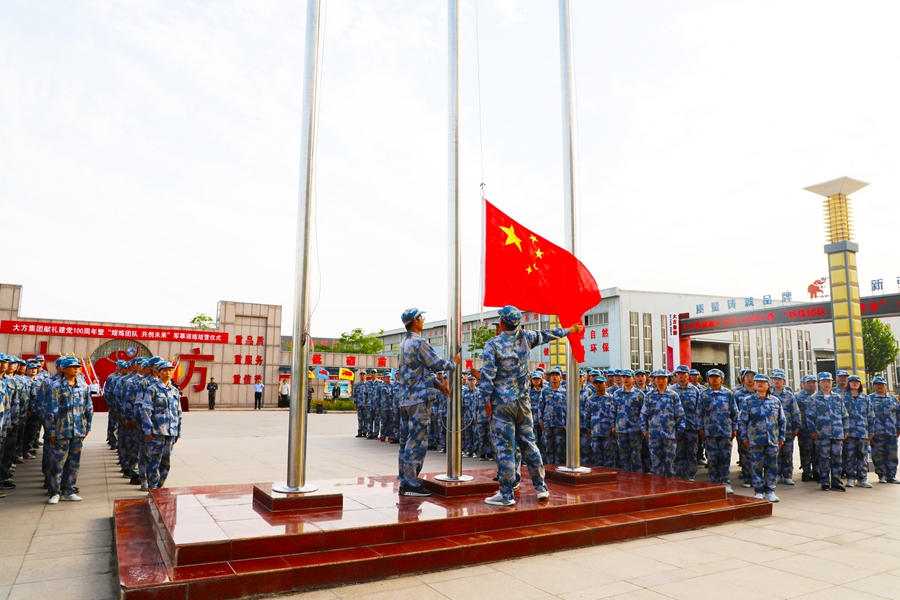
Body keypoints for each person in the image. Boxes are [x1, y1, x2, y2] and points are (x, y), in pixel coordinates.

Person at [477, 305, 582, 506]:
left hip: (502, 404)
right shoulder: (526, 337)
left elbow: (487, 376)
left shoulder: (493, 344)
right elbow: (549, 334)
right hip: (523, 403)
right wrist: (571, 329)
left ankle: (506, 493)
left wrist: (486, 402)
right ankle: (541, 487)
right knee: (529, 443)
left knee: (505, 447)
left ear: (501, 322)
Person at [396, 307, 459, 497]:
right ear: (415, 321)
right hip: (419, 401)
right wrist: (454, 362)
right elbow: (437, 364)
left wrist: (438, 384)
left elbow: (416, 372)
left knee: (405, 442)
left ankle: (405, 480)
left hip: (406, 400)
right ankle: (410, 483)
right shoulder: (419, 343)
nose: (423, 320)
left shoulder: (402, 344)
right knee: (416, 442)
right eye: (421, 318)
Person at [45, 356, 93, 503]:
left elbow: (88, 408)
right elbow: (50, 411)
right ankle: (55, 492)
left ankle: (69, 490)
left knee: (74, 462)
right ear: (64, 369)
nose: (76, 369)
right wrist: (51, 431)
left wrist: (87, 427)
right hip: (61, 430)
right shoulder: (56, 386)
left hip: (78, 430)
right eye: (72, 367)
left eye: (77, 366)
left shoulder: (83, 386)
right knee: (58, 462)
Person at [739, 374, 786, 502]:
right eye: (757, 382)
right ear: (754, 385)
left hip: (772, 439)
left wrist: (781, 437)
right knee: (756, 465)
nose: (760, 384)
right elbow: (742, 421)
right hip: (755, 440)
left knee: (772, 466)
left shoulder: (775, 401)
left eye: (763, 382)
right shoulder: (748, 401)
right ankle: (758, 490)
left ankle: (770, 490)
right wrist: (744, 437)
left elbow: (781, 421)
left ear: (768, 385)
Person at [140, 361, 182, 490]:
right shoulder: (152, 389)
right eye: (165, 370)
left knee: (166, 461)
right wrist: (148, 430)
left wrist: (178, 431)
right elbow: (146, 410)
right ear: (158, 372)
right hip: (157, 432)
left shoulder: (174, 390)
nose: (168, 373)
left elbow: (178, 412)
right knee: (154, 461)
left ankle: (160, 485)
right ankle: (152, 487)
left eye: (170, 370)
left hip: (170, 432)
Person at [806, 372, 849, 491]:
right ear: (819, 383)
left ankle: (836, 481)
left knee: (837, 458)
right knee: (823, 458)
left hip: (837, 433)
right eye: (824, 381)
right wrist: (812, 431)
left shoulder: (837, 397)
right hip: (822, 434)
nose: (826, 383)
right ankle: (825, 481)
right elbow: (810, 417)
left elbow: (844, 415)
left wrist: (845, 430)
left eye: (829, 381)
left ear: (832, 383)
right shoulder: (814, 398)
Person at [698, 369, 738, 493]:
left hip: (725, 431)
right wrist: (700, 428)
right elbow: (699, 413)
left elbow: (734, 412)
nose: (714, 379)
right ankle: (714, 481)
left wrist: (735, 428)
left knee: (725, 457)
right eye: (711, 377)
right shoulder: (704, 394)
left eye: (717, 377)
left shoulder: (728, 394)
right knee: (712, 458)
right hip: (710, 432)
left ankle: (725, 481)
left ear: (722, 379)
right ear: (708, 379)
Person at [640, 369, 684, 477]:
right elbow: (643, 415)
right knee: (656, 462)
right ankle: (658, 486)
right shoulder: (649, 396)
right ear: (654, 380)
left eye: (663, 378)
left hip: (669, 434)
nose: (661, 381)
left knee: (670, 462)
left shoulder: (673, 395)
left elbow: (680, 415)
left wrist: (678, 432)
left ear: (667, 379)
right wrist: (645, 432)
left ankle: (670, 486)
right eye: (658, 378)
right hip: (654, 435)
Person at [843, 374, 874, 488]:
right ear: (848, 384)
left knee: (862, 456)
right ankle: (850, 478)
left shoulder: (865, 398)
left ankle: (862, 478)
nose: (854, 383)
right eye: (852, 382)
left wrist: (871, 431)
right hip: (848, 432)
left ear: (860, 384)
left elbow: (871, 416)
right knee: (849, 455)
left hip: (862, 432)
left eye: (857, 382)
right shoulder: (843, 397)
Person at [670, 365, 700, 481]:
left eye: (684, 373)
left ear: (688, 375)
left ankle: (690, 474)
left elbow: (699, 409)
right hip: (676, 427)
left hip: (691, 426)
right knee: (678, 451)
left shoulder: (695, 390)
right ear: (676, 375)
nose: (681, 375)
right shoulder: (672, 390)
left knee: (691, 452)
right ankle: (679, 474)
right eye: (679, 373)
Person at [771, 369, 800, 485]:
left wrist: (795, 428)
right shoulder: (768, 394)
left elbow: (795, 413)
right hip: (773, 430)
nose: (777, 381)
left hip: (787, 430)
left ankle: (788, 475)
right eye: (774, 379)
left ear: (784, 381)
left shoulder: (789, 395)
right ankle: (777, 474)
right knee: (775, 453)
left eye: (779, 379)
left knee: (788, 453)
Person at [869, 376, 900, 484]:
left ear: (885, 386)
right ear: (873, 386)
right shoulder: (869, 399)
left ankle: (891, 475)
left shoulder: (893, 399)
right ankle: (881, 475)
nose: (879, 386)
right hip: (877, 432)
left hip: (891, 431)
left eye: (881, 384)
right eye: (877, 384)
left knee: (892, 454)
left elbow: (898, 414)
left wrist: (899, 428)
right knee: (878, 454)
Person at [612, 370, 644, 471]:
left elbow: (643, 413)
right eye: (624, 377)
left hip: (635, 430)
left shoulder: (639, 394)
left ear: (633, 378)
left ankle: (638, 477)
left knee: (636, 455)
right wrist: (613, 426)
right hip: (621, 429)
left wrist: (643, 428)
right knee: (623, 455)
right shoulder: (617, 394)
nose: (625, 379)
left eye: (628, 377)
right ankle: (626, 477)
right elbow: (613, 411)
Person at [794, 375, 819, 481]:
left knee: (817, 451)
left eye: (813, 382)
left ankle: (817, 471)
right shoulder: (797, 397)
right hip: (804, 429)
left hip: (818, 429)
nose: (812, 384)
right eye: (809, 382)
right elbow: (795, 413)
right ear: (803, 384)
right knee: (805, 452)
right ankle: (806, 471)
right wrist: (797, 427)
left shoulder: (819, 396)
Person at [541, 368, 567, 465]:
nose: (554, 377)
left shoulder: (564, 392)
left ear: (560, 378)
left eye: (556, 375)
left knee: (559, 447)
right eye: (552, 375)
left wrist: (566, 422)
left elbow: (567, 408)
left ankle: (557, 465)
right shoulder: (545, 391)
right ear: (550, 378)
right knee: (548, 446)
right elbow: (541, 405)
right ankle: (549, 465)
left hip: (560, 423)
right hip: (548, 422)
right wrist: (541, 420)